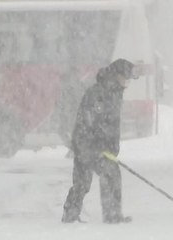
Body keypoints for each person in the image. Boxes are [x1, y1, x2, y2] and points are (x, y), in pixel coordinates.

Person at [62, 59, 140, 223]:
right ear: (117, 75)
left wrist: (111, 147)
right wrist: (96, 144)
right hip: (87, 144)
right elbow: (90, 120)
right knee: (87, 181)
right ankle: (73, 215)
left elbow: (111, 125)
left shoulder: (114, 92)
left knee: (104, 177)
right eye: (125, 79)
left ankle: (110, 215)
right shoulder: (100, 93)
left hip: (100, 146)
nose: (126, 83)